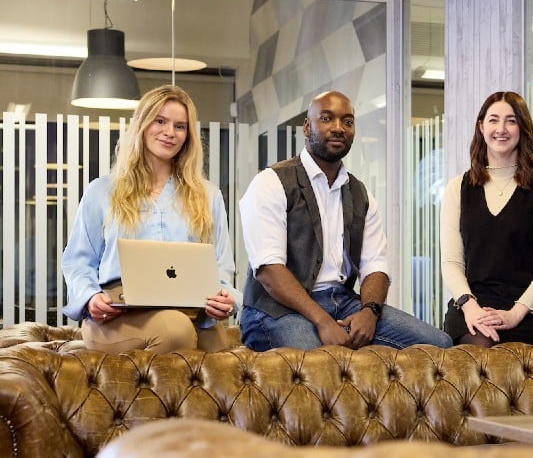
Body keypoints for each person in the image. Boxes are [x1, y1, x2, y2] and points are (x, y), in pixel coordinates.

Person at [238, 90, 452, 351]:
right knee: (320, 365)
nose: (338, 128)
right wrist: (322, 320)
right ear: (307, 127)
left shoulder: (360, 194)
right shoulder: (271, 183)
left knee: (439, 345)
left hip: (342, 301)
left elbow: (376, 266)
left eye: (347, 122)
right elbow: (269, 271)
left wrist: (370, 311)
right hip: (276, 310)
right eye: (326, 119)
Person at [62, 85, 240, 354]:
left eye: (180, 126)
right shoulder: (102, 191)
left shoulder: (208, 196)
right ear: (142, 125)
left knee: (217, 350)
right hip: (116, 316)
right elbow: (78, 262)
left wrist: (225, 298)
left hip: (192, 311)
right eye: (160, 121)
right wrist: (89, 298)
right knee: (175, 330)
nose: (170, 132)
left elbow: (221, 267)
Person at [440, 91, 533, 347]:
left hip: (532, 309)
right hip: (474, 306)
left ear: (522, 127)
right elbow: (451, 262)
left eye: (511, 120)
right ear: (481, 126)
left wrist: (516, 313)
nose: (501, 129)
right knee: (480, 348)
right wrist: (469, 306)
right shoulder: (457, 188)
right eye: (493, 120)